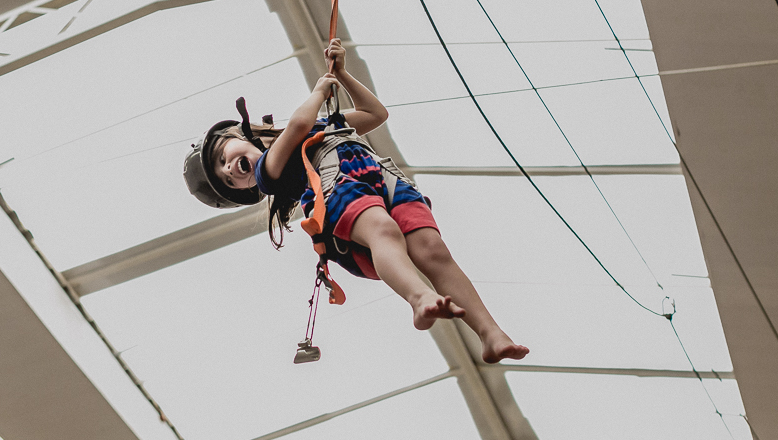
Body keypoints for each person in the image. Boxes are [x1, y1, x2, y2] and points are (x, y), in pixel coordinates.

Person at [184, 39, 528, 363]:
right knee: (382, 228)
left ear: (235, 135)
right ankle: (419, 297)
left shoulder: (324, 125)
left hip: (382, 179)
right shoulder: (269, 172)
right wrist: (321, 89)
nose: (231, 169)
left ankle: (491, 334)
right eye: (230, 180)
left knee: (432, 249)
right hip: (340, 192)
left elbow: (375, 113)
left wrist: (343, 74)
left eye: (222, 159)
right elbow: (299, 124)